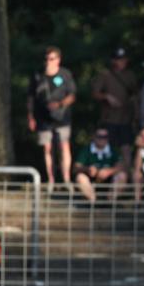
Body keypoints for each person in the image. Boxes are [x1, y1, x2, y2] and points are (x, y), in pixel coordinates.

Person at [27, 46, 76, 185]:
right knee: (47, 148)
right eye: (46, 59)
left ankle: (66, 179)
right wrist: (30, 116)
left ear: (58, 60)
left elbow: (72, 95)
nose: (48, 62)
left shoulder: (65, 74)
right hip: (43, 117)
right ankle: (51, 180)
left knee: (63, 146)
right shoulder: (38, 75)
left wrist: (59, 104)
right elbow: (30, 97)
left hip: (62, 116)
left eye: (51, 59)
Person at [91, 47, 138, 164]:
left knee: (126, 147)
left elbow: (136, 94)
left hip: (126, 118)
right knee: (109, 147)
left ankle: (126, 171)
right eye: (118, 59)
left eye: (123, 59)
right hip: (109, 119)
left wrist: (135, 112)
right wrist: (106, 96)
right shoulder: (105, 75)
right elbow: (95, 93)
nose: (121, 62)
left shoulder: (130, 75)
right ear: (113, 61)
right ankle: (109, 171)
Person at [73, 128, 128, 203]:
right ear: (94, 137)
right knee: (80, 177)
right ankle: (93, 202)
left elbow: (122, 166)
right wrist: (87, 169)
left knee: (122, 175)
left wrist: (109, 171)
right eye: (99, 136)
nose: (102, 139)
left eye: (105, 137)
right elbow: (76, 168)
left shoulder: (113, 149)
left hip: (110, 181)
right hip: (91, 181)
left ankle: (110, 203)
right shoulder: (86, 149)